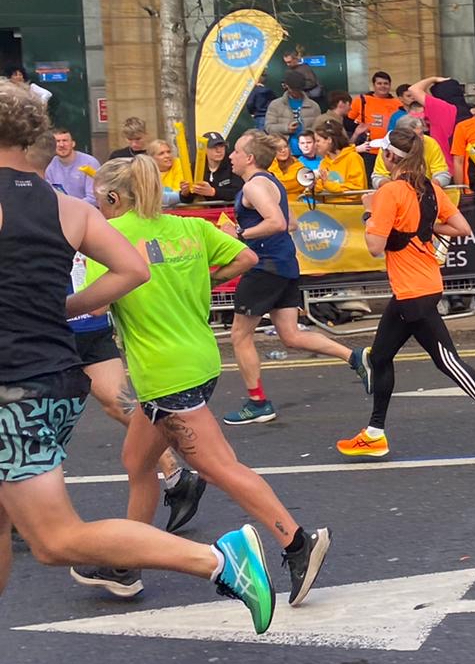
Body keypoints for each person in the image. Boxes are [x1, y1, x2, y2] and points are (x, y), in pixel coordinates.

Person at [0, 86, 275, 634]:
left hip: (14, 386)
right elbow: (133, 270)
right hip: (52, 380)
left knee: (54, 539)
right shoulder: (67, 207)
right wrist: (65, 306)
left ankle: (219, 560)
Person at [68, 156, 332, 607]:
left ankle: (297, 542)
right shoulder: (189, 227)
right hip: (199, 359)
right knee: (137, 462)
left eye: (98, 201)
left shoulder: (112, 237)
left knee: (218, 466)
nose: (97, 209)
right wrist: (201, 281)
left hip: (166, 372)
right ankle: (125, 565)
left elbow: (94, 306)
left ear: (112, 197)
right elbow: (246, 257)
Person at [21, 131, 200, 532]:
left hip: (51, 324)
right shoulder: (69, 203)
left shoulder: (30, 204)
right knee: (117, 402)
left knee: (35, 419)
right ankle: (175, 474)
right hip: (85, 321)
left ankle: (31, 503)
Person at [336, 125, 475, 461]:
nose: (381, 157)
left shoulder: (389, 192)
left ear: (390, 156)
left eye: (383, 153)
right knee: (379, 358)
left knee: (446, 360)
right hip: (418, 286)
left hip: (414, 291)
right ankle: (374, 434)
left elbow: (375, 246)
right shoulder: (430, 188)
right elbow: (462, 228)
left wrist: (368, 211)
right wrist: (424, 225)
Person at [221, 131, 371, 426]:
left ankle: (258, 403)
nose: (231, 156)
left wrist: (239, 233)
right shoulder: (271, 182)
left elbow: (277, 223)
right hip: (285, 264)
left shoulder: (254, 186)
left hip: (265, 267)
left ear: (249, 158)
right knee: (290, 335)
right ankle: (355, 357)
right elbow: (290, 222)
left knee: (239, 335)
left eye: (236, 151)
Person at [309, 117, 367, 198]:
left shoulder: (353, 158)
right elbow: (320, 190)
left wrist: (328, 185)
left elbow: (356, 189)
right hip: (327, 205)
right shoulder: (324, 162)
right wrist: (314, 186)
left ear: (329, 140)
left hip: (349, 205)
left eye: (318, 141)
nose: (315, 144)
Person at [350, 71, 403, 152]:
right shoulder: (361, 101)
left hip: (390, 149)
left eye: (386, 83)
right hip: (366, 148)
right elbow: (349, 121)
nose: (383, 86)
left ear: (390, 85)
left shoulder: (398, 104)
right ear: (373, 85)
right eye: (379, 83)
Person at [45, 129, 98, 204]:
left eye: (65, 141)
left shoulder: (90, 163)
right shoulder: (50, 165)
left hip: (86, 209)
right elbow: (49, 195)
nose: (61, 145)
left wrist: (71, 207)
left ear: (73, 143)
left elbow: (93, 198)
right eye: (57, 141)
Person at [264, 71, 319, 138]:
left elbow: (318, 129)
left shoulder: (314, 106)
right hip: (283, 143)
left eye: (298, 90)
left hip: (307, 143)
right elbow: (268, 127)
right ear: (287, 86)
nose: (295, 93)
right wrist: (286, 128)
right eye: (292, 90)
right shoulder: (275, 105)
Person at [149, 140, 184, 207]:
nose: (167, 156)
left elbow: (178, 194)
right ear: (152, 158)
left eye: (169, 152)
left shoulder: (179, 164)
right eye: (161, 153)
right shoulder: (148, 170)